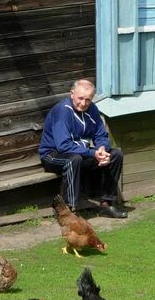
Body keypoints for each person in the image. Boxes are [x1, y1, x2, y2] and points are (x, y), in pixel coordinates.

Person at [39, 79, 127, 218]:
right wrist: (93, 153)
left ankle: (107, 204)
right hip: (52, 155)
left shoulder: (92, 109)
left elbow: (101, 134)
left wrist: (102, 149)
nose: (84, 103)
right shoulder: (62, 111)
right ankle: (68, 211)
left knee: (115, 155)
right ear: (72, 94)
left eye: (88, 99)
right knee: (73, 159)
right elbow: (63, 146)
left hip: (80, 154)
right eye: (80, 98)